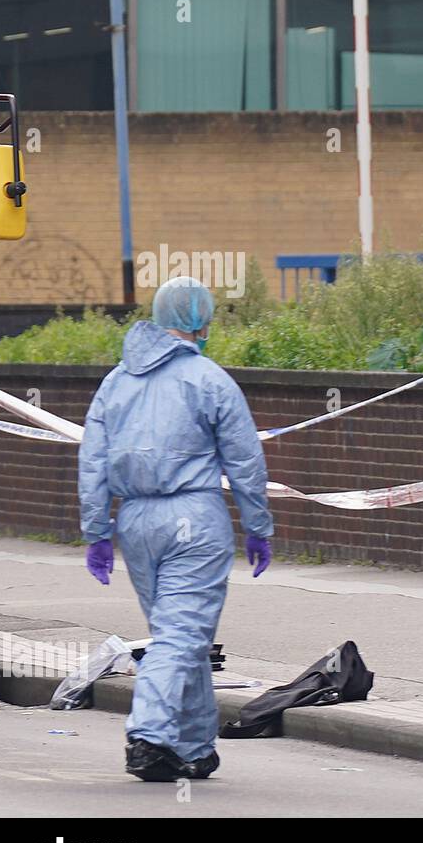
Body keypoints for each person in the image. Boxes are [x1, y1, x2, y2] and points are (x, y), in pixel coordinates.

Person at [78, 276, 273, 782]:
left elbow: (92, 461)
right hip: (194, 518)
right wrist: (257, 525)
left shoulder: (117, 382)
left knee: (178, 637)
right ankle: (149, 734)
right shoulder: (209, 380)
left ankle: (191, 744)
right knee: (181, 636)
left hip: (136, 522)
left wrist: (98, 530)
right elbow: (245, 460)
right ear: (201, 324)